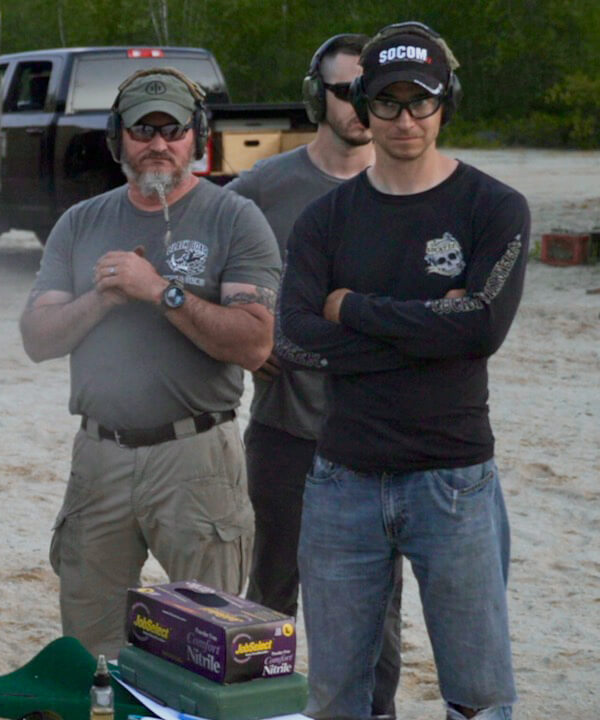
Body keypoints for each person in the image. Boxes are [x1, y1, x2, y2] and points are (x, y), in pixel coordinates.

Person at [277, 22, 525, 720]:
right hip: (342, 482)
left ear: (447, 104)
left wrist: (350, 306)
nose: (405, 119)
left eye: (422, 101)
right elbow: (293, 337)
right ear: (362, 106)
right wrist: (431, 327)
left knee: (478, 697)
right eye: (387, 102)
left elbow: (482, 327)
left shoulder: (494, 207)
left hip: (454, 483)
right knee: (335, 698)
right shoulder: (324, 220)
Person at [19, 67, 281, 659]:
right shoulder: (80, 222)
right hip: (99, 457)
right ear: (118, 140)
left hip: (196, 459)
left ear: (197, 136)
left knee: (207, 648)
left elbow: (254, 343)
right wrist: (103, 298)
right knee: (91, 647)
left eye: (173, 129)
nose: (158, 144)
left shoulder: (234, 218)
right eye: (142, 129)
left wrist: (159, 290)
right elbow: (37, 337)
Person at [225, 33, 404, 719]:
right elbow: (192, 259)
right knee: (270, 595)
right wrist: (244, 344)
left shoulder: (411, 188)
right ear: (314, 97)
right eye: (345, 91)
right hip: (287, 430)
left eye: (375, 93)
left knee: (378, 605)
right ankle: (259, 712)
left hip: (380, 435)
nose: (362, 106)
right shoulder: (261, 190)